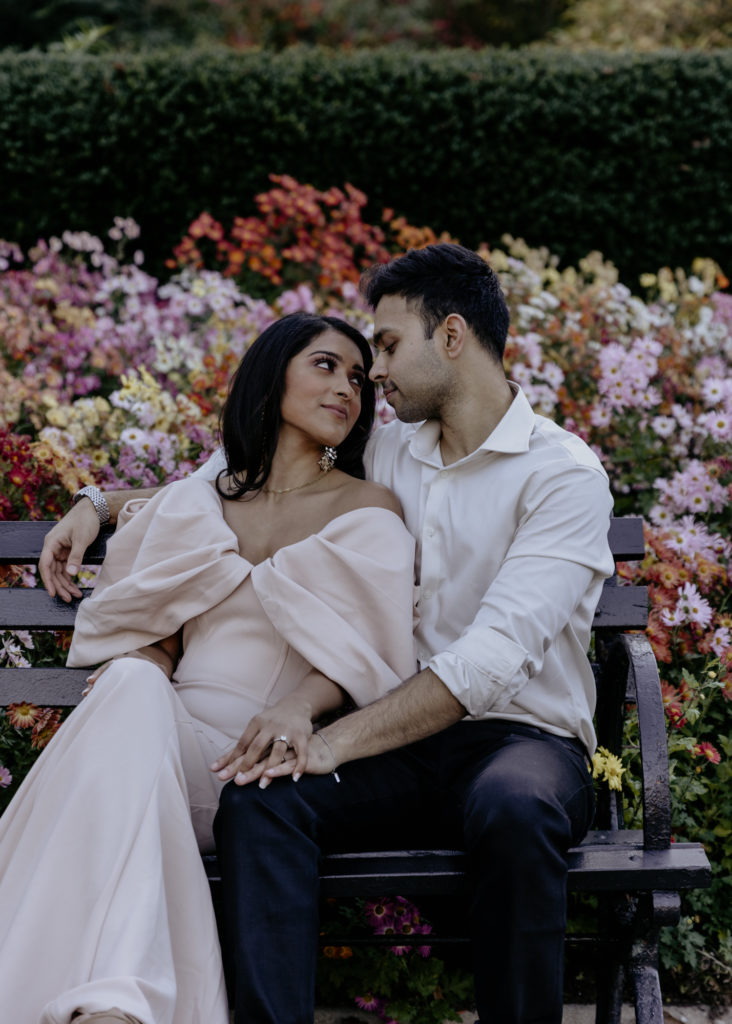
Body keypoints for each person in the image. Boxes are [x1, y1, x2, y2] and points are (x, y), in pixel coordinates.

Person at [39, 243, 615, 1024]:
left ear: (451, 337)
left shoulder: (562, 475)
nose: (370, 374)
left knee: (514, 808)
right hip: (401, 748)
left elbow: (490, 663)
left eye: (385, 347)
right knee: (262, 802)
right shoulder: (389, 448)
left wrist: (328, 739)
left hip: (521, 741)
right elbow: (240, 475)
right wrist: (102, 502)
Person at [0, 312, 418, 1024]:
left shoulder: (366, 506)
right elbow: (157, 640)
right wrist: (94, 505)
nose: (348, 387)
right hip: (165, 743)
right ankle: (115, 1006)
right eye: (325, 365)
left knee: (130, 704)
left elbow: (360, 651)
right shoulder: (204, 501)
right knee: (133, 681)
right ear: (272, 374)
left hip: (252, 765)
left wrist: (300, 708)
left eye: (357, 377)